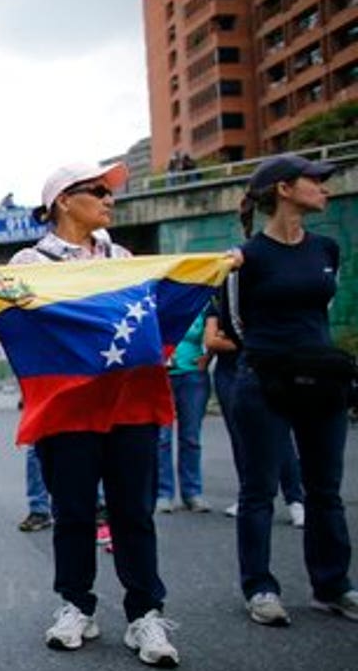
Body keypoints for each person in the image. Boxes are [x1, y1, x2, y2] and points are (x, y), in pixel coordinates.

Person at [14, 162, 179, 667]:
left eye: (111, 193)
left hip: (128, 403)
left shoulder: (125, 258)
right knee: (74, 514)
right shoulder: (30, 262)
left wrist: (217, 266)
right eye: (98, 192)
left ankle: (144, 614)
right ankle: (76, 606)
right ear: (64, 200)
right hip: (67, 409)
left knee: (133, 512)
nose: (110, 200)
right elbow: (13, 322)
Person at [230, 154, 356, 626]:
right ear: (285, 189)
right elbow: (238, 322)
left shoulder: (327, 249)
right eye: (316, 181)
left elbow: (319, 311)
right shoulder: (247, 257)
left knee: (325, 490)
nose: (326, 188)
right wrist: (274, 356)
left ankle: (333, 585)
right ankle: (259, 588)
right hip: (264, 379)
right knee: (259, 490)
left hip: (322, 379)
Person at [203, 299, 305, 526]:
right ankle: (246, 493)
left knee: (280, 438)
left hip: (266, 372)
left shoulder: (263, 296)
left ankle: (295, 500)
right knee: (240, 439)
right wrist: (244, 340)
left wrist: (232, 339)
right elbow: (211, 341)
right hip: (229, 374)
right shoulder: (218, 302)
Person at [155, 310, 212, 514]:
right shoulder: (159, 299)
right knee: (162, 438)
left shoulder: (199, 302)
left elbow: (213, 332)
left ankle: (192, 493)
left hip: (193, 375)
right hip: (162, 375)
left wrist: (208, 355)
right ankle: (163, 493)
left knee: (191, 437)